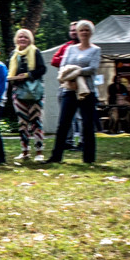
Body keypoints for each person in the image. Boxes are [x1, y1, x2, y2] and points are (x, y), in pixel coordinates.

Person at [46, 20, 101, 164]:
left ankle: (89, 158)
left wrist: (75, 70)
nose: (83, 32)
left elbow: (93, 68)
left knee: (88, 125)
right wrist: (77, 72)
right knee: (63, 123)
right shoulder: (70, 49)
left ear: (91, 33)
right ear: (77, 32)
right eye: (81, 30)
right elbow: (63, 66)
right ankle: (56, 157)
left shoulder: (96, 50)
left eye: (86, 30)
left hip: (87, 91)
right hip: (69, 89)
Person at [8, 28, 47, 162]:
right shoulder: (14, 54)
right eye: (20, 37)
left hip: (34, 92)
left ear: (30, 39)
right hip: (18, 92)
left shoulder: (35, 51)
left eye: (25, 37)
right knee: (22, 123)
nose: (22, 39)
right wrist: (14, 78)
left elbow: (42, 69)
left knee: (36, 122)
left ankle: (39, 151)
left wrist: (27, 75)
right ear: (16, 39)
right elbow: (10, 73)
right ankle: (24, 151)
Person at [51, 22, 81, 149]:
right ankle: (68, 142)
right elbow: (54, 60)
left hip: (81, 86)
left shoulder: (86, 46)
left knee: (81, 117)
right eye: (72, 30)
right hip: (66, 85)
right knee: (66, 116)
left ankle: (83, 142)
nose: (73, 32)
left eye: (76, 30)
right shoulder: (66, 47)